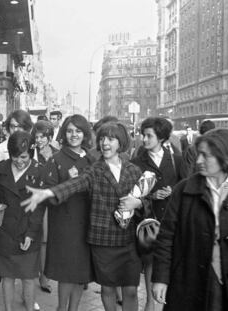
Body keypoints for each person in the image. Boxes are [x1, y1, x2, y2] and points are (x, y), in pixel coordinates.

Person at [21, 122, 149, 311]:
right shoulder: (95, 169)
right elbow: (76, 184)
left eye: (111, 139)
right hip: (104, 240)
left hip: (128, 240)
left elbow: (147, 201)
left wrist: (138, 203)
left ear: (120, 143)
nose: (105, 143)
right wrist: (48, 193)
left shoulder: (133, 170)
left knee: (130, 290)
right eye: (103, 139)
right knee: (108, 290)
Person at [152, 129, 228, 311]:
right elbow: (166, 237)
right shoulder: (184, 190)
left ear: (225, 157)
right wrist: (161, 279)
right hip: (191, 280)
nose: (198, 161)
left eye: (205, 156)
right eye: (198, 154)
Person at [43, 114, 95, 311]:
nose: (74, 135)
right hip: (65, 223)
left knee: (81, 273)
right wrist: (70, 183)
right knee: (66, 272)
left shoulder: (92, 159)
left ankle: (74, 308)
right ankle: (61, 307)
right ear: (64, 133)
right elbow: (49, 193)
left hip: (87, 221)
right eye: (70, 131)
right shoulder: (55, 159)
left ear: (85, 134)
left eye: (78, 131)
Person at [131, 117, 183, 311]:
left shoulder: (177, 160)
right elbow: (132, 194)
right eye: (143, 135)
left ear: (161, 137)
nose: (144, 139)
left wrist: (173, 191)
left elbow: (185, 186)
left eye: (148, 136)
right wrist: (151, 195)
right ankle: (150, 303)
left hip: (172, 222)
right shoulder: (137, 163)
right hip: (148, 224)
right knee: (150, 264)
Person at [0, 131, 46, 311]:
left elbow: (39, 208)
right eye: (15, 156)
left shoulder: (40, 171)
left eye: (23, 156)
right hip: (5, 230)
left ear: (31, 152)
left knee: (28, 276)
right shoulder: (1, 168)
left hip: (28, 229)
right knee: (7, 276)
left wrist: (31, 233)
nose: (19, 161)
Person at [0, 109, 34, 298]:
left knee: (25, 252)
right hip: (4, 210)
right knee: (0, 250)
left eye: (21, 127)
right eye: (12, 126)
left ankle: (25, 295)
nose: (16, 130)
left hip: (26, 209)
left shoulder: (31, 148)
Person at [31, 120, 59, 294]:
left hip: (48, 201)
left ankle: (44, 276)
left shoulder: (57, 154)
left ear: (50, 137)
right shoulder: (28, 151)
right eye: (37, 136)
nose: (40, 140)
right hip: (30, 200)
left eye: (44, 136)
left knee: (45, 239)